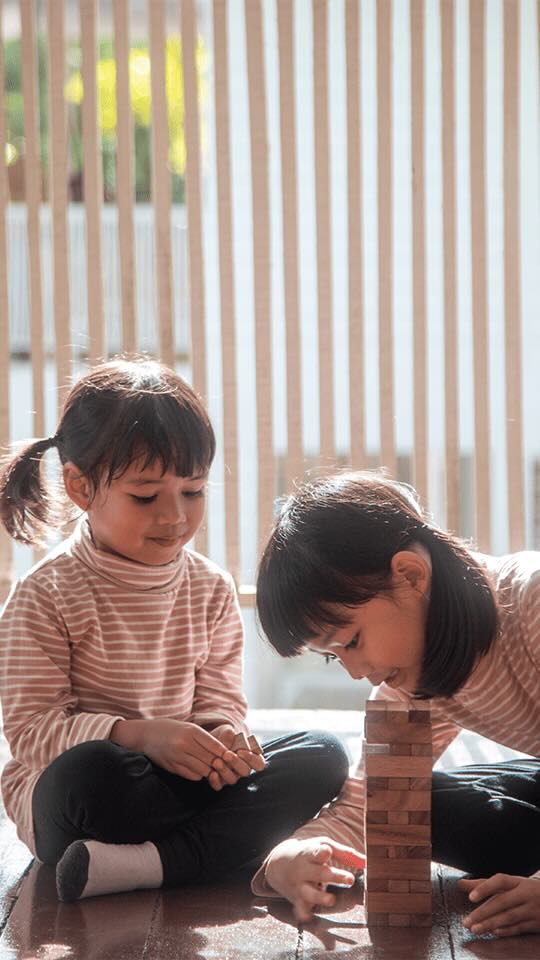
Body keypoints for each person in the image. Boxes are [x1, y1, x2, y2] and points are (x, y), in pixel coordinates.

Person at [0, 357, 349, 903]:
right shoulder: (46, 593)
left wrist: (223, 737)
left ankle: (148, 865)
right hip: (93, 796)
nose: (175, 516)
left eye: (194, 492)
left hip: (178, 786)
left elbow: (220, 702)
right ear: (79, 486)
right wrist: (140, 736)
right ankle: (204, 849)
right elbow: (32, 733)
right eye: (146, 496)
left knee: (323, 754)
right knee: (92, 774)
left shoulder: (210, 587)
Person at [253, 470, 540, 939]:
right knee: (412, 804)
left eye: (352, 641)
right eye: (332, 656)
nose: (354, 671)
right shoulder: (413, 679)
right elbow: (369, 801)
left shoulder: (530, 600)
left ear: (410, 575)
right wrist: (290, 855)